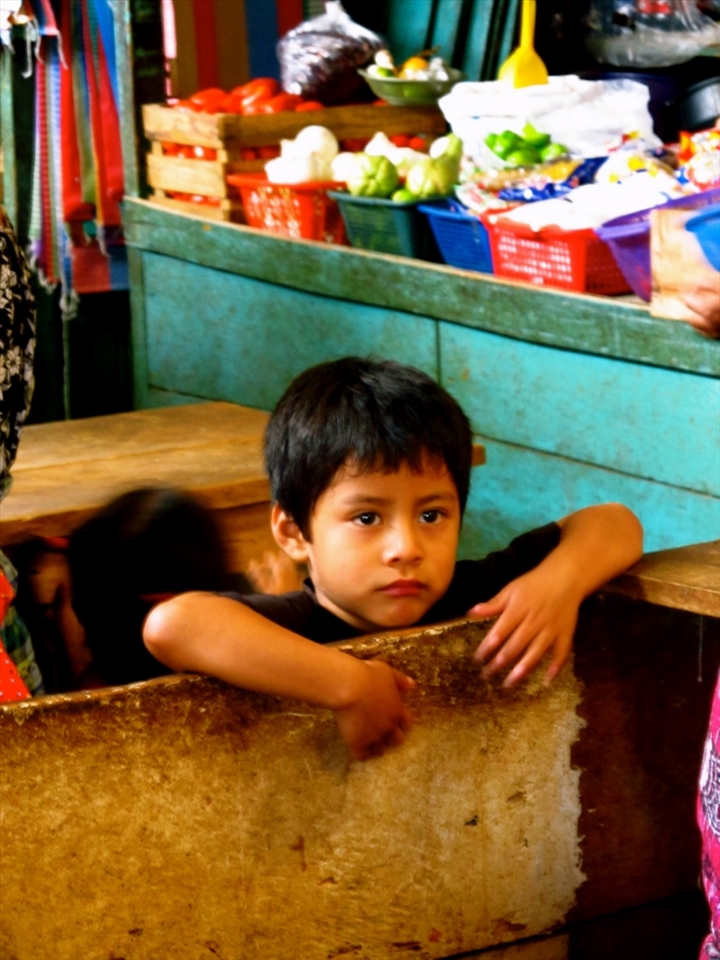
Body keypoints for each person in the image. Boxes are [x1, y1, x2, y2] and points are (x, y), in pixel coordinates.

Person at [143, 357, 644, 761]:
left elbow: (616, 522)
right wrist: (347, 684)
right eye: (366, 519)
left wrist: (558, 585)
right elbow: (173, 625)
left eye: (431, 515)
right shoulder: (294, 629)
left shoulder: (482, 597)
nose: (406, 548)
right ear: (294, 533)